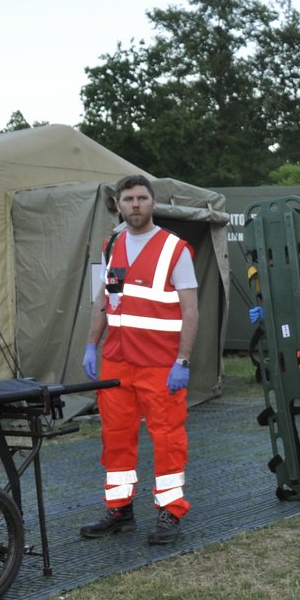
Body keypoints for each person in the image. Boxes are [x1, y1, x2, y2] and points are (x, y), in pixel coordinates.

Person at [80, 175, 199, 546]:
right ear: (118, 204)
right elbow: (104, 299)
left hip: (160, 364)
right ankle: (119, 509)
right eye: (128, 198)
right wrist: (90, 344)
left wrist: (183, 360)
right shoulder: (111, 243)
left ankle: (170, 511)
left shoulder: (174, 249)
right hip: (116, 361)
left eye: (142, 198)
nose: (135, 204)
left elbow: (191, 311)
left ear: (153, 202)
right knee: (115, 438)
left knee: (167, 439)